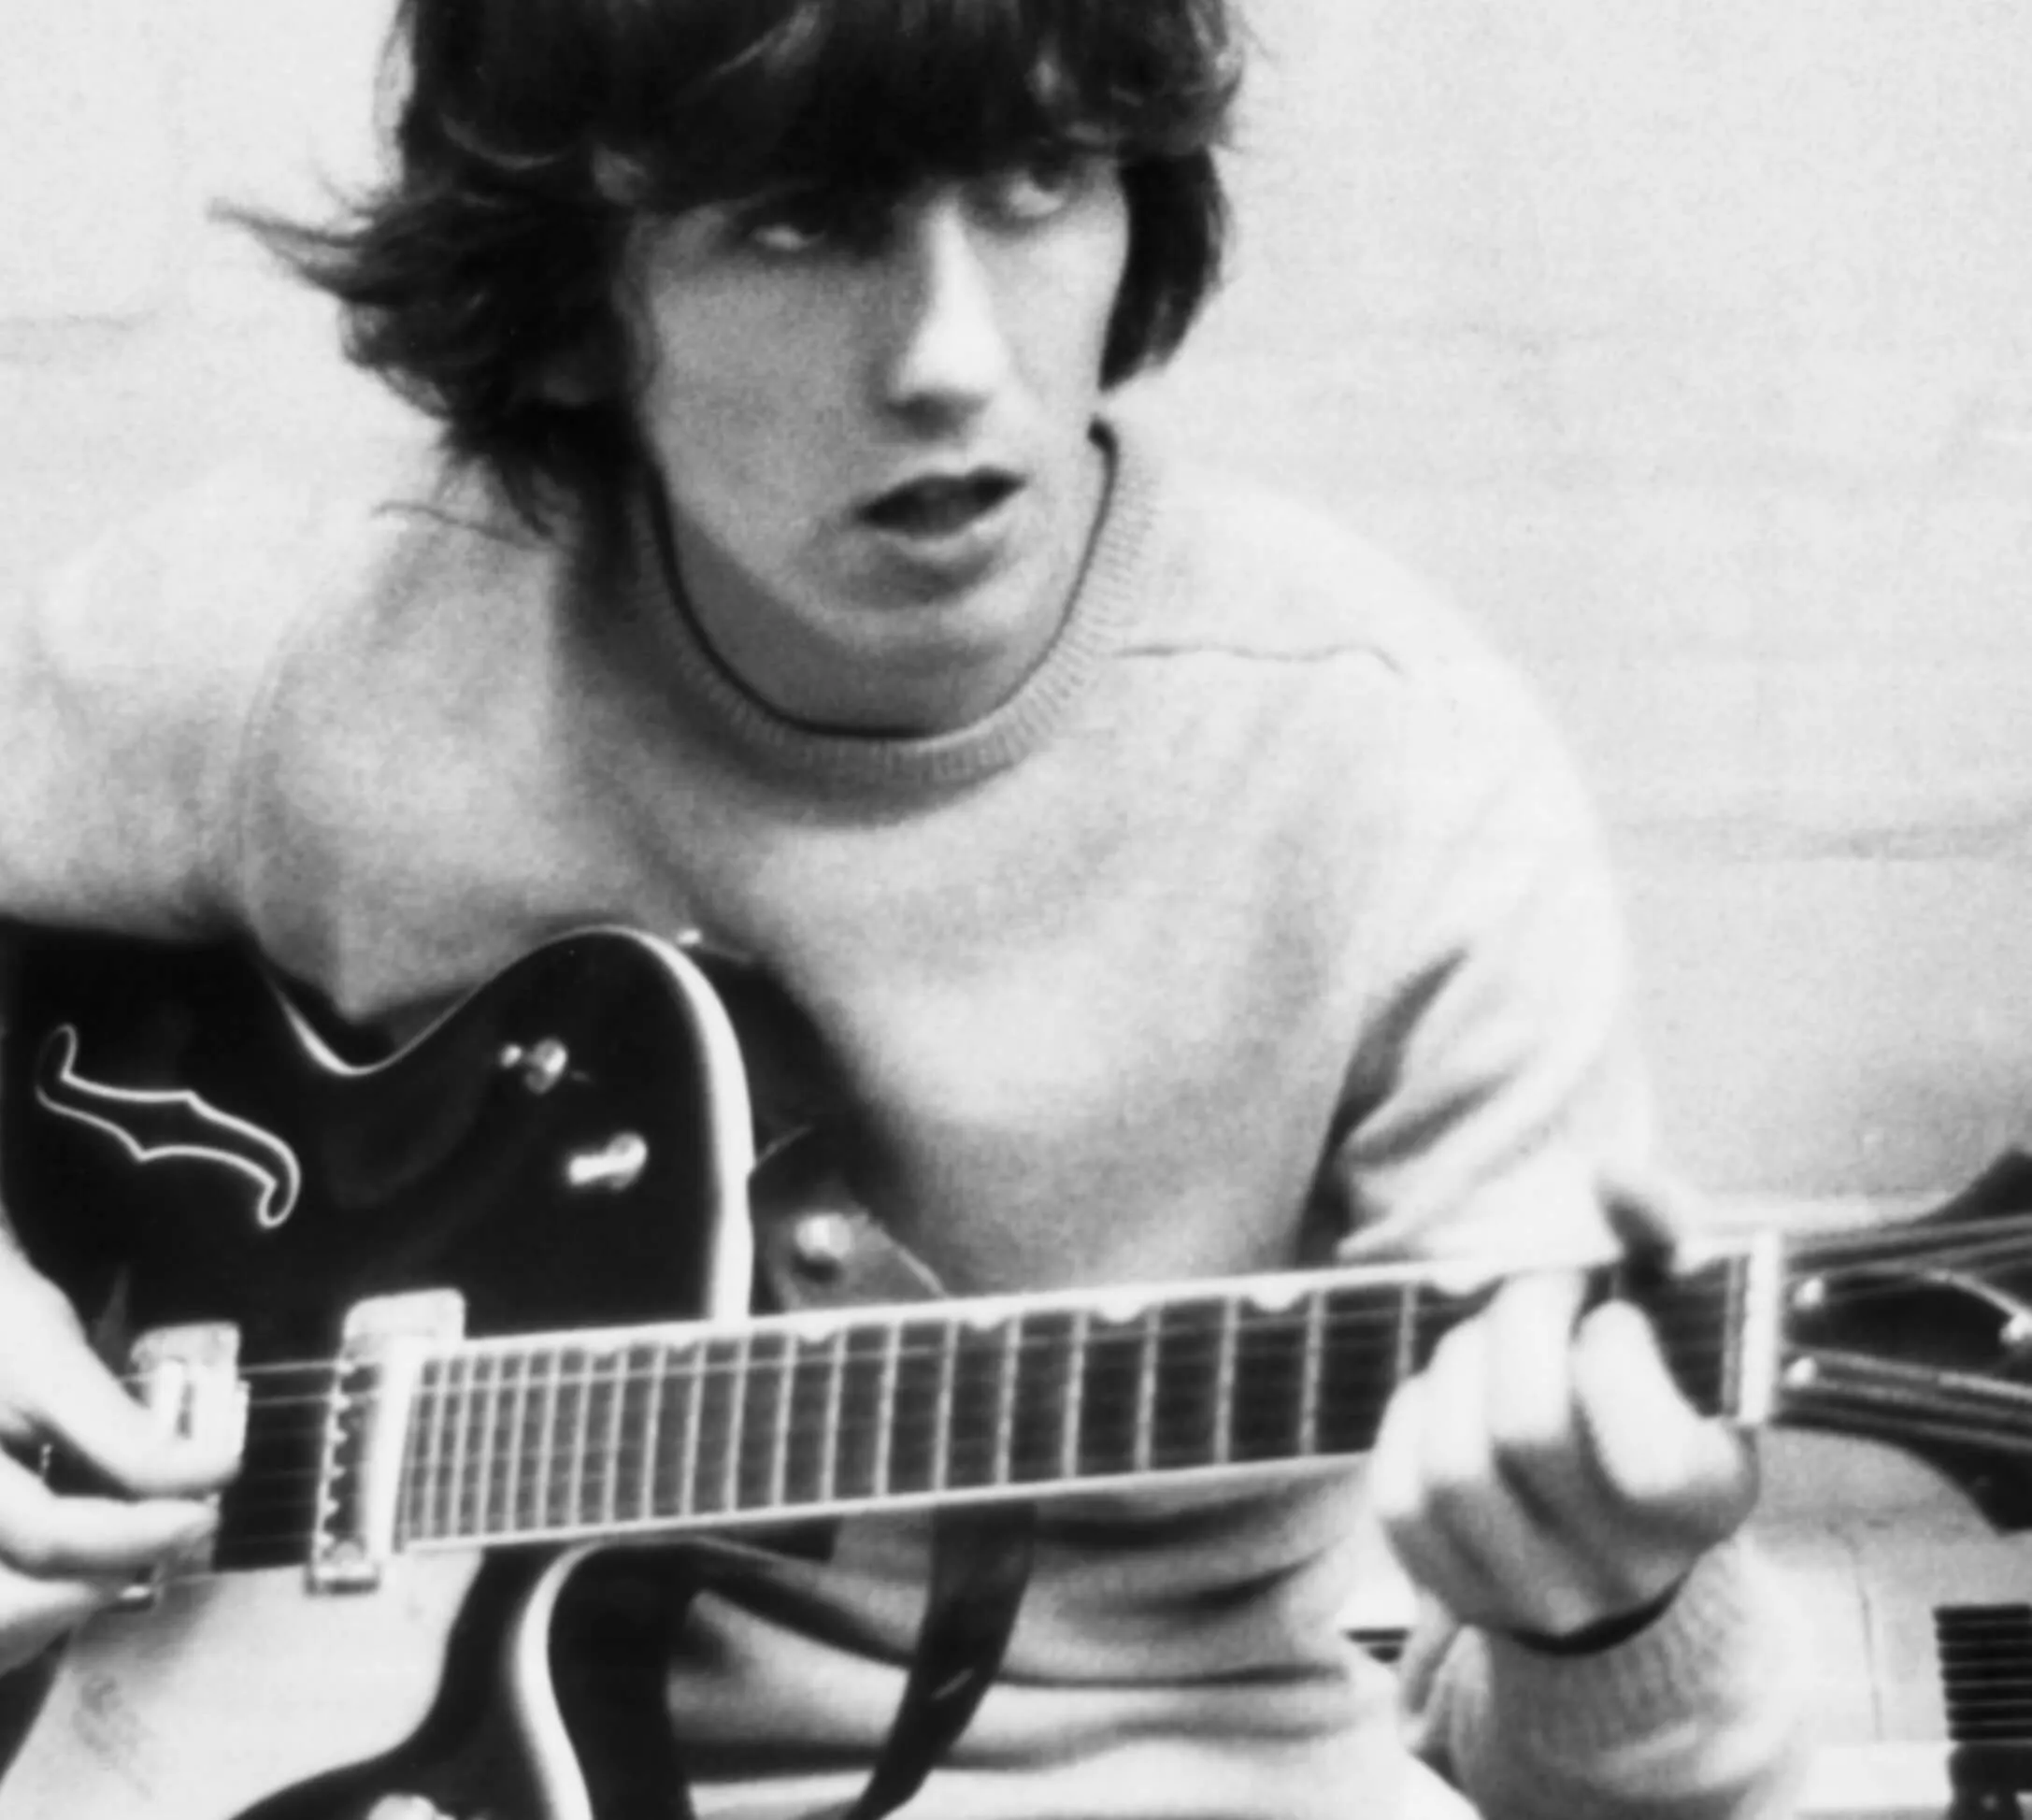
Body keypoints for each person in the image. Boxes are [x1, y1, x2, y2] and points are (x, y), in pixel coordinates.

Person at [0, 0, 1805, 1815]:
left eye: (1037, 179)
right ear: (569, 303)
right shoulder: (326, 647)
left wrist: (1609, 1615)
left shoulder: (1393, 768)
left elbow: (1629, 1780)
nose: (952, 355)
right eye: (803, 219)